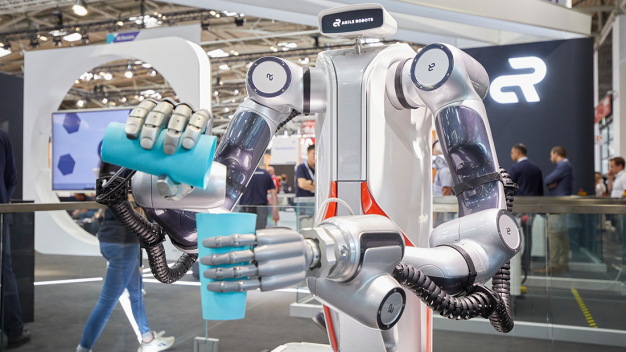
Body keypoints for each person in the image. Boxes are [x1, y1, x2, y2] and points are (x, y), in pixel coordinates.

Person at [77, 163, 175, 352]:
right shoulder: (131, 168)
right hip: (121, 244)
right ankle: (83, 348)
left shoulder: (110, 166)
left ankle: (147, 339)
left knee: (136, 293)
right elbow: (138, 209)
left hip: (112, 239)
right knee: (107, 302)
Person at [0, 128, 31, 349]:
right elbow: (11, 177)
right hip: (0, 212)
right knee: (5, 272)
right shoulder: (1, 136)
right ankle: (13, 331)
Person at [536, 146, 574, 275]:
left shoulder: (563, 166)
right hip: (562, 205)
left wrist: (552, 185)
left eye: (551, 155)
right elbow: (551, 182)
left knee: (554, 234)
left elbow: (548, 180)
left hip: (557, 205)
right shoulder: (566, 166)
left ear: (557, 154)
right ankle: (563, 263)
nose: (550, 158)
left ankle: (554, 264)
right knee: (562, 234)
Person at [508, 143, 543, 277]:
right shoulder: (536, 169)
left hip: (518, 208)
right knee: (528, 236)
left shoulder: (515, 168)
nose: (511, 156)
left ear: (517, 153)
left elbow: (509, 188)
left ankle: (513, 263)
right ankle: (526, 262)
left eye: (512, 153)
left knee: (513, 236)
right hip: (532, 207)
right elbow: (540, 191)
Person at [237, 165, 279, 230]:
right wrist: (275, 211)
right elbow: (274, 194)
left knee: (246, 231)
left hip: (245, 208)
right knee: (260, 231)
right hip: (261, 208)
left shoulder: (243, 174)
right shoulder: (265, 174)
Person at [295, 145, 316, 220]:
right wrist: (314, 184)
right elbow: (302, 184)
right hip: (303, 204)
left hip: (316, 203)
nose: (315, 156)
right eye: (313, 153)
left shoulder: (318, 168)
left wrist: (309, 182)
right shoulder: (301, 168)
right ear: (308, 154)